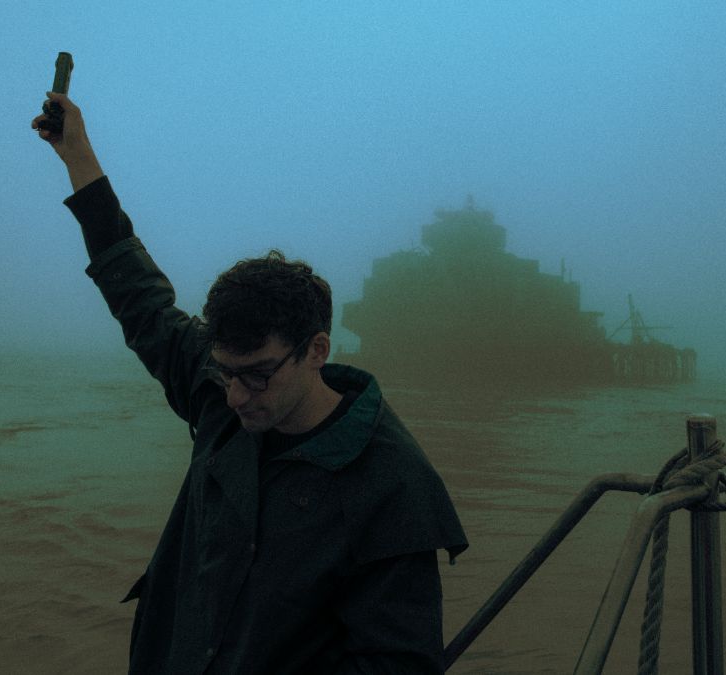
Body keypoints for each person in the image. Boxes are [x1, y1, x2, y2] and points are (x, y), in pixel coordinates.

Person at [33, 91, 468, 674]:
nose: (235, 396)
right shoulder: (221, 393)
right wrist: (79, 156)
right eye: (226, 372)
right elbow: (137, 292)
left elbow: (398, 665)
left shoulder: (392, 484)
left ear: (316, 351)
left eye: (259, 375)